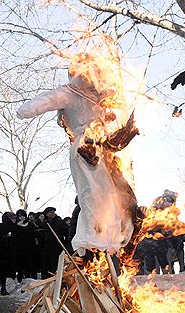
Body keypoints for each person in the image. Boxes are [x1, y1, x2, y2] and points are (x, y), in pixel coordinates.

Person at [17, 53, 139, 258]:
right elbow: (31, 107)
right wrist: (24, 111)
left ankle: (110, 242)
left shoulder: (101, 96)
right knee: (92, 196)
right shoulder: (69, 93)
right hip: (85, 148)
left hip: (103, 150)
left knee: (115, 198)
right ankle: (91, 243)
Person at [0, 212, 17, 295]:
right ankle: (3, 287)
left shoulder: (15, 227)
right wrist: (4, 237)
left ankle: (6, 286)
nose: (14, 219)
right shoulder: (1, 227)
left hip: (10, 251)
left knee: (7, 269)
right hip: (2, 251)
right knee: (2, 269)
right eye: (12, 218)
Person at [42, 207, 68, 278]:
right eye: (51, 212)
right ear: (47, 214)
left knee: (57, 263)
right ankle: (49, 276)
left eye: (53, 212)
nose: (53, 213)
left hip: (58, 246)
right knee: (48, 262)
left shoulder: (59, 221)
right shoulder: (45, 222)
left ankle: (58, 277)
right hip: (48, 246)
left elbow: (66, 232)